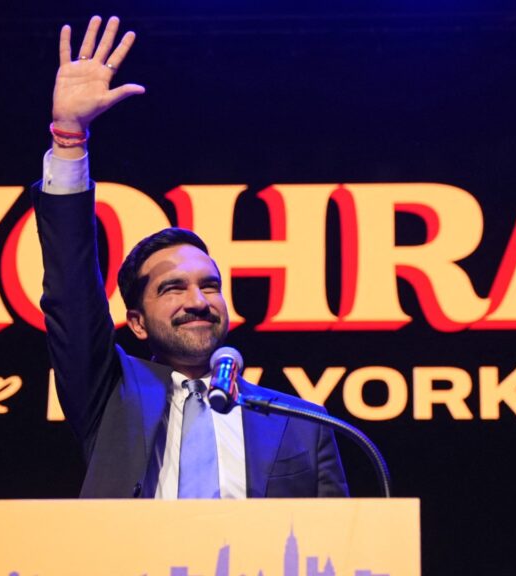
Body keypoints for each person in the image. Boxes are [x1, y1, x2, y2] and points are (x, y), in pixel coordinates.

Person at [33, 15, 348, 499]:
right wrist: (69, 138)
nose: (198, 300)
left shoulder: (302, 423)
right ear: (137, 323)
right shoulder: (111, 395)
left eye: (209, 285)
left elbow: (334, 541)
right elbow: (71, 293)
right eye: (173, 288)